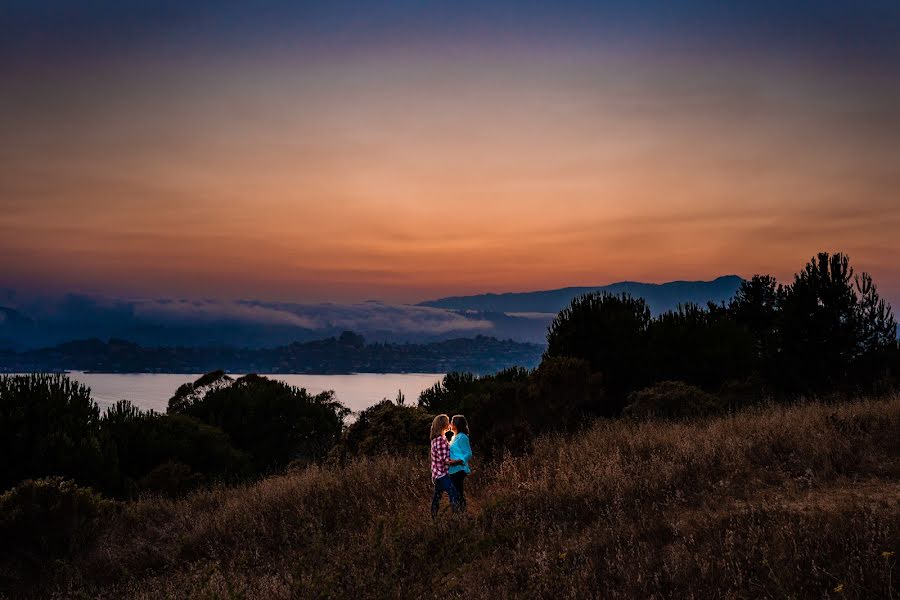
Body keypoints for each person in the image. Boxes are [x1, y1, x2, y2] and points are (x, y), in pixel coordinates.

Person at [429, 414, 460, 518]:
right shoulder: (441, 440)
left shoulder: (434, 440)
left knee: (437, 498)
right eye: (447, 422)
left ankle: (434, 518)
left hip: (436, 474)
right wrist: (458, 462)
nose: (449, 424)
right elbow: (445, 461)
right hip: (442, 475)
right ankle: (457, 518)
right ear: (443, 424)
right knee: (454, 494)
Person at [447, 414, 472, 512]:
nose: (450, 424)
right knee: (456, 493)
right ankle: (459, 513)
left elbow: (468, 453)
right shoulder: (455, 437)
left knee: (457, 493)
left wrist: (457, 461)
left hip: (459, 469)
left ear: (456, 424)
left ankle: (460, 514)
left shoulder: (463, 437)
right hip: (453, 469)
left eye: (452, 422)